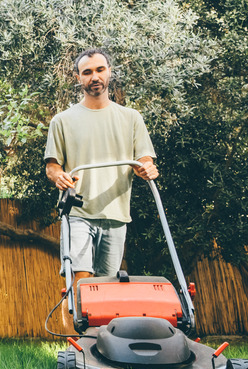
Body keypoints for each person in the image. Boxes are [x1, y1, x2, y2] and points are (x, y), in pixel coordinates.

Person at [44, 48, 159, 288]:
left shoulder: (131, 118)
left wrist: (147, 169)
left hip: (116, 215)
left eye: (99, 70)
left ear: (109, 72)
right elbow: (52, 166)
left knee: (108, 287)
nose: (94, 76)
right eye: (87, 72)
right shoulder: (62, 121)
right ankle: (78, 326)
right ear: (78, 78)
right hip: (78, 212)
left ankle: (101, 328)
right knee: (81, 280)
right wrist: (59, 177)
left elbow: (145, 160)